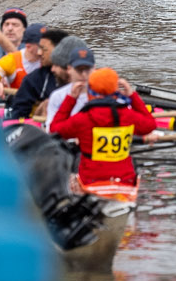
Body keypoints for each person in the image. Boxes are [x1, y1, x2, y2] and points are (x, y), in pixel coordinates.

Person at [48, 65, 158, 195]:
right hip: (124, 181)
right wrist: (133, 96)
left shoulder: (82, 119)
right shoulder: (128, 116)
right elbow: (150, 125)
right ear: (115, 91)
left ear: (90, 91)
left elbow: (54, 130)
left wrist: (71, 99)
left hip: (91, 181)